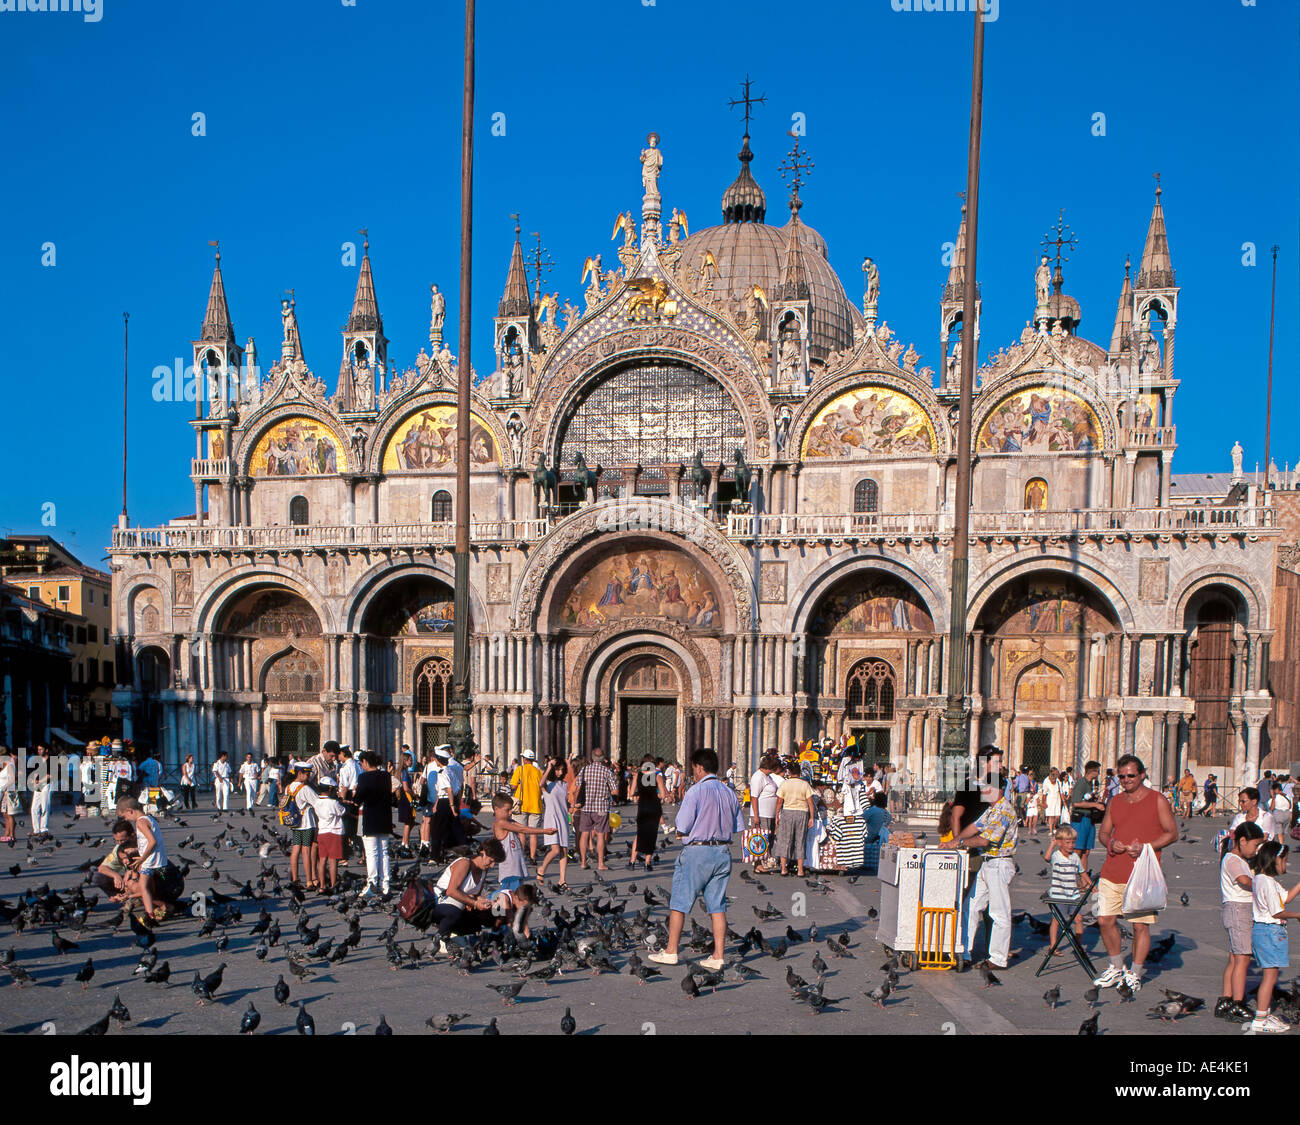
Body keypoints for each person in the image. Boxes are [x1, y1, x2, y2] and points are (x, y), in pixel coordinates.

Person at [648, 748, 743, 971]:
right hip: (722, 852)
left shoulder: (696, 791)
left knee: (679, 902)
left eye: (693, 769)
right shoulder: (729, 791)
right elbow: (738, 825)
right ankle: (718, 955)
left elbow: (682, 825)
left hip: (697, 852)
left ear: (699, 767)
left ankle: (671, 951)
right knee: (717, 906)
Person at [1093, 754, 1179, 993]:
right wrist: (1111, 843)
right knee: (1104, 920)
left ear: (1142, 775)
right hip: (1112, 870)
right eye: (1121, 776)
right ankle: (1116, 966)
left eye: (1131, 775)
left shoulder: (1157, 800)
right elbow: (1103, 833)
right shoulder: (1116, 801)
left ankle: (1135, 972)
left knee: (1140, 925)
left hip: (1142, 873)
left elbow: (1172, 833)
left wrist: (1147, 847)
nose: (1126, 780)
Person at [954, 769, 1019, 971]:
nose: (982, 790)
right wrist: (954, 841)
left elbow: (984, 839)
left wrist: (961, 842)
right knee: (971, 905)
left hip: (1000, 863)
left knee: (999, 912)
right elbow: (975, 827)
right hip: (988, 862)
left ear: (997, 789)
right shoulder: (992, 809)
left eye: (985, 787)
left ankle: (998, 958)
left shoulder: (1004, 810)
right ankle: (964, 950)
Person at [1247, 840, 1300, 1033]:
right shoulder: (1266, 882)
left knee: (1271, 974)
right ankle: (1261, 1019)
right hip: (1270, 931)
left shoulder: (1263, 879)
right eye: (1283, 860)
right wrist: (1296, 916)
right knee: (1270, 976)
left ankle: (1265, 1013)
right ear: (1274, 859)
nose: (1285, 865)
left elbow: (1285, 897)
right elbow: (1277, 912)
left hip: (1266, 931)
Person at [1217, 821, 1266, 1023]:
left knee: (1235, 958)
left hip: (1236, 910)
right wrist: (1263, 883)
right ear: (1242, 841)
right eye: (1255, 846)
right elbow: (1245, 881)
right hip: (1239, 910)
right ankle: (1238, 1002)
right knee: (1243, 959)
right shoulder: (1233, 860)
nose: (1256, 851)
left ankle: (1226, 999)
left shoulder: (1236, 859)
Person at [430, 840, 505, 943]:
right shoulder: (464, 863)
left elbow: (476, 894)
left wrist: (486, 902)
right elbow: (451, 891)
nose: (492, 866)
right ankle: (441, 938)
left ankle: (493, 938)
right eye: (491, 861)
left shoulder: (484, 869)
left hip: (460, 904)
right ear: (482, 853)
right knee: (454, 913)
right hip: (440, 901)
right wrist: (474, 903)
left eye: (494, 862)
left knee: (496, 912)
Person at [115, 795, 168, 923]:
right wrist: (136, 850)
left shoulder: (140, 822)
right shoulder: (149, 818)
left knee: (144, 887)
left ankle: (150, 915)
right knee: (148, 886)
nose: (127, 820)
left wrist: (141, 859)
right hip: (157, 858)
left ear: (130, 811)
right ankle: (154, 912)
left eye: (125, 816)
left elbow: (152, 841)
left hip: (150, 860)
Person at [1044, 825, 1092, 954]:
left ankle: (1078, 945)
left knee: (1079, 919)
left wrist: (1091, 885)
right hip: (1059, 894)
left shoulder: (1075, 857)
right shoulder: (1056, 855)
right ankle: (1053, 946)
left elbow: (1082, 872)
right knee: (1057, 920)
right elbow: (1046, 858)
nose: (1071, 845)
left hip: (1073, 894)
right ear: (1060, 842)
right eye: (1068, 842)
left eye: (1073, 842)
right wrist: (1052, 845)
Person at [353, 751, 393, 899]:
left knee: (371, 853)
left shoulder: (363, 777)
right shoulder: (386, 775)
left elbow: (359, 797)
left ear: (365, 761)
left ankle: (372, 883)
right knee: (384, 852)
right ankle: (386, 884)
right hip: (384, 816)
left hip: (370, 816)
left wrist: (355, 798)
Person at [491, 792, 548, 892]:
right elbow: (523, 830)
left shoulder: (509, 821)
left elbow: (523, 827)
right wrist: (544, 831)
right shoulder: (500, 823)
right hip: (509, 870)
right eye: (507, 810)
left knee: (516, 895)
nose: (510, 812)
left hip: (516, 867)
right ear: (496, 809)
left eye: (511, 809)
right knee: (509, 896)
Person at [573, 747, 618, 871]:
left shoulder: (585, 769)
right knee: (600, 835)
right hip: (601, 808)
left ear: (592, 757)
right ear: (603, 758)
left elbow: (577, 787)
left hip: (586, 807)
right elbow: (615, 790)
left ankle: (583, 862)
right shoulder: (607, 771)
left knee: (584, 834)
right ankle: (600, 863)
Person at [773, 763, 815, 878]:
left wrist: (777, 815)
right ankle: (800, 870)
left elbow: (779, 802)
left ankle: (783, 868)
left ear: (789, 772)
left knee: (785, 839)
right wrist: (811, 817)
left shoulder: (784, 784)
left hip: (788, 812)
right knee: (800, 840)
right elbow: (810, 802)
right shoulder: (805, 784)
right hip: (802, 813)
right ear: (800, 772)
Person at [282, 761, 318, 890]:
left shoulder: (288, 787)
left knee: (296, 848)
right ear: (299, 773)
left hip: (294, 822)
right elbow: (317, 803)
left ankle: (295, 879)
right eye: (306, 774)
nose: (308, 777)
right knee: (306, 850)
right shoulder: (305, 788)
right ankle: (309, 881)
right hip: (306, 822)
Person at [536, 761, 570, 888]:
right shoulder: (548, 784)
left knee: (564, 850)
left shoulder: (564, 784)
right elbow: (540, 784)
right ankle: (542, 869)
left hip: (563, 818)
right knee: (555, 850)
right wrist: (549, 767)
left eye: (562, 770)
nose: (560, 772)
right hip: (552, 818)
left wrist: (571, 811)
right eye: (558, 769)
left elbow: (565, 802)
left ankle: (562, 880)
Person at [629, 755, 666, 870]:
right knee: (651, 835)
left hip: (643, 806)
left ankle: (632, 862)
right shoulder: (657, 777)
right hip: (654, 807)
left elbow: (631, 793)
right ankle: (647, 863)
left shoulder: (637, 776)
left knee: (639, 834)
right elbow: (663, 795)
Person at [1068, 760, 1106, 870]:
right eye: (1098, 771)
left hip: (1089, 820)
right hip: (1080, 819)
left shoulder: (1089, 784)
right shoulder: (1081, 783)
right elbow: (1076, 803)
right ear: (1092, 771)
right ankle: (1073, 876)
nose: (1099, 774)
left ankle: (1083, 880)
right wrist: (1095, 805)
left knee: (1086, 851)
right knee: (1078, 850)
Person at [311, 778, 346, 892]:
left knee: (322, 860)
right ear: (330, 790)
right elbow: (342, 811)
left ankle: (322, 886)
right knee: (333, 861)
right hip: (334, 832)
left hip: (322, 832)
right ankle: (333, 884)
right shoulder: (333, 802)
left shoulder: (317, 802)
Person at [509, 749, 545, 862]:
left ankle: (521, 856)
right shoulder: (539, 772)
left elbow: (513, 786)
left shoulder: (520, 769)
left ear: (524, 759)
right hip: (536, 805)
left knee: (522, 832)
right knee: (533, 832)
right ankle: (533, 857)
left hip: (522, 805)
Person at [90, 819, 138, 899]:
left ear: (132, 835)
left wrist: (130, 872)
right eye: (117, 841)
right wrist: (116, 876)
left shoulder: (143, 845)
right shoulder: (118, 849)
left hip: (149, 879)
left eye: (122, 840)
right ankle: (117, 897)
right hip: (129, 881)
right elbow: (102, 868)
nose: (119, 844)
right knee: (97, 877)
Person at [748, 754, 781, 863]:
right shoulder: (758, 777)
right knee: (762, 839)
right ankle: (759, 862)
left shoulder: (768, 776)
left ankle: (766, 859)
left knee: (769, 838)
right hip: (761, 813)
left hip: (769, 813)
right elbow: (754, 797)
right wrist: (756, 816)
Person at [336, 747, 360, 864]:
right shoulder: (357, 764)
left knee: (345, 828)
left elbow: (344, 787)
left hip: (348, 796)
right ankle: (363, 856)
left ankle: (344, 857)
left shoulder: (344, 768)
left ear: (343, 754)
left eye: (338, 754)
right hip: (358, 796)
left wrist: (342, 800)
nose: (337, 756)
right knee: (357, 827)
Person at [392, 751, 416, 855]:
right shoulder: (405, 772)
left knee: (410, 822)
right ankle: (405, 843)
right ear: (405, 761)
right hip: (407, 798)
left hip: (402, 798)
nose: (412, 762)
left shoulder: (399, 772)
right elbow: (406, 788)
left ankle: (405, 842)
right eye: (410, 760)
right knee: (409, 822)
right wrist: (414, 793)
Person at [862, 790, 891, 874]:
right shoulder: (887, 814)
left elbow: (860, 820)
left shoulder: (872, 810)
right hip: (881, 839)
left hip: (869, 837)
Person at [30, 745, 52, 839]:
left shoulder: (51, 760)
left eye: (41, 749)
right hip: (38, 786)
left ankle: (44, 829)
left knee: (45, 806)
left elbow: (50, 775)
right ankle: (36, 830)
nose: (39, 751)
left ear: (46, 750)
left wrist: (40, 781)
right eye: (38, 749)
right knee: (34, 807)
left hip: (46, 785)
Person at [0, 746, 18, 843]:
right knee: (5, 814)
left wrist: (4, 787)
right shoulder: (3, 764)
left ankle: (12, 835)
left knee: (9, 814)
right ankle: (6, 833)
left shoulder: (10, 764)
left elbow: (12, 779)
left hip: (8, 791)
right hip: (2, 792)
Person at [1041, 767, 1064, 834]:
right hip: (1050, 800)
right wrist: (1043, 802)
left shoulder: (1058, 782)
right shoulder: (1047, 782)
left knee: (1057, 816)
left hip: (1057, 800)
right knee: (1051, 816)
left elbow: (1061, 791)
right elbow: (1044, 793)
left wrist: (1063, 801)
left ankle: (1054, 826)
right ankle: (1051, 829)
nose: (1053, 780)